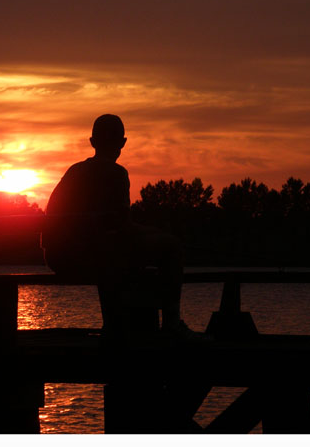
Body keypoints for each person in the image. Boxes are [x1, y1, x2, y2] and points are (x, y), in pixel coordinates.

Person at [41, 114, 198, 337]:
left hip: (58, 257)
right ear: (122, 143)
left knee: (122, 255)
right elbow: (122, 227)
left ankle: (119, 325)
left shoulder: (74, 171)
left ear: (92, 142)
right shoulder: (117, 173)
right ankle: (170, 324)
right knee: (170, 247)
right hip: (93, 256)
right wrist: (155, 233)